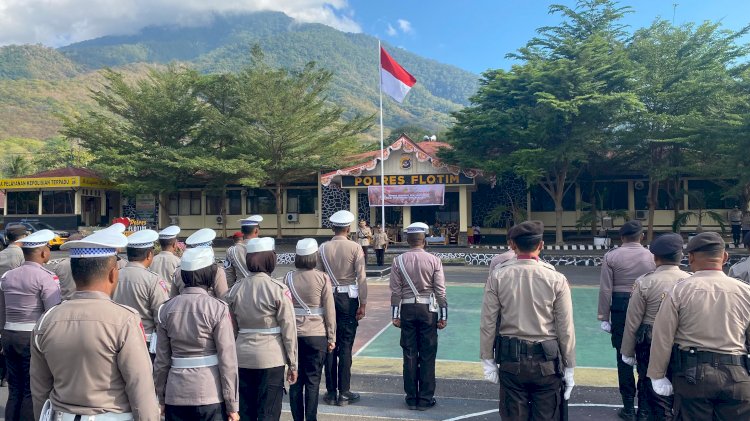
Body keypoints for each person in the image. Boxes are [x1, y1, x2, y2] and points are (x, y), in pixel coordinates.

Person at [31, 228, 160, 420]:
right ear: (112, 274)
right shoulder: (125, 320)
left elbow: (40, 390)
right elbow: (140, 388)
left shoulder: (46, 321)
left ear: (75, 274)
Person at [648, 232, 750, 419]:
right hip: (738, 374)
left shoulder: (679, 290)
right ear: (724, 257)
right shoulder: (745, 291)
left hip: (692, 375)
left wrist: (657, 374)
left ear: (691, 257)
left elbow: (663, 336)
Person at [480, 221, 575, 420]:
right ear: (541, 245)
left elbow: (489, 322)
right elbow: (565, 327)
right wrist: (570, 366)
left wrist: (487, 359)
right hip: (547, 361)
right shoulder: (557, 278)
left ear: (512, 245)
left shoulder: (497, 277)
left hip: (511, 360)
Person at [154, 247, 240, 421]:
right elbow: (227, 360)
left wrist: (160, 398)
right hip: (210, 393)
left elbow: (161, 360)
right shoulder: (217, 308)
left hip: (175, 394)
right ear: (210, 274)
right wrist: (232, 404)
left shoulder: (166, 309)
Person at [225, 237, 297, 421]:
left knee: (246, 411)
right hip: (271, 358)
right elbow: (288, 329)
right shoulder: (278, 289)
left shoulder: (235, 290)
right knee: (269, 412)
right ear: (270, 260)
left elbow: (230, 328)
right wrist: (293, 363)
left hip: (241, 356)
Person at [619, 233, 690, 420]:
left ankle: (645, 414)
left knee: (647, 381)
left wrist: (627, 351)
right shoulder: (689, 281)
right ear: (680, 256)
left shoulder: (645, 282)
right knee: (676, 383)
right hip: (679, 339)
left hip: (649, 339)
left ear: (655, 257)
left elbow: (633, 320)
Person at [597, 220, 655, 420]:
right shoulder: (652, 256)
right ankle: (645, 409)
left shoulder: (611, 256)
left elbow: (606, 289)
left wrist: (604, 316)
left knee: (624, 358)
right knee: (646, 359)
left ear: (621, 237)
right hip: (647, 307)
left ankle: (628, 407)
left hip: (621, 307)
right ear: (642, 237)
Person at [0, 229, 60, 421]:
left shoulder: (8, 276)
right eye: (48, 248)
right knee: (30, 390)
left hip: (9, 334)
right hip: (32, 337)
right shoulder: (46, 277)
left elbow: (2, 310)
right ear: (43, 252)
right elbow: (52, 314)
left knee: (15, 388)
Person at [390, 222, 448, 410]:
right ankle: (425, 398)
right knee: (428, 355)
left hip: (406, 310)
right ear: (424, 240)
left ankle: (411, 397)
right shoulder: (434, 260)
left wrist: (395, 315)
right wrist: (443, 315)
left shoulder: (398, 261)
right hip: (428, 311)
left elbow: (395, 292)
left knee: (409, 354)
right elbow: (440, 291)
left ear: (408, 240)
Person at [318, 210, 367, 406]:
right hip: (348, 299)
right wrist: (363, 303)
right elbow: (361, 277)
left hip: (328, 297)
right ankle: (344, 392)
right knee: (345, 346)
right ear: (348, 228)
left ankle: (330, 392)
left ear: (332, 227)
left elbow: (319, 277)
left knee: (330, 343)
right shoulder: (355, 247)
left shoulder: (322, 248)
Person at [286, 238, 336, 421]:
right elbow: (329, 310)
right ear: (314, 256)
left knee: (295, 381)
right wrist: (331, 337)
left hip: (295, 335)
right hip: (317, 334)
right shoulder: (322, 278)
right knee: (313, 381)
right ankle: (311, 418)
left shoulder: (288, 277)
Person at [112, 229, 169, 358]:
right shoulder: (152, 280)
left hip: (115, 339)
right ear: (149, 255)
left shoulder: (113, 277)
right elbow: (161, 316)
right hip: (144, 341)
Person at [171, 228, 228, 298]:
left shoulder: (179, 270)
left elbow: (173, 298)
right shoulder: (217, 271)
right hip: (210, 307)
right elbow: (223, 297)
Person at [225, 215, 262, 288]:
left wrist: (232, 292)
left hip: (240, 289)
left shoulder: (231, 251)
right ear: (256, 230)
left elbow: (229, 276)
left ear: (242, 231)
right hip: (261, 288)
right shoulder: (264, 247)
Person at [150, 225, 181, 292]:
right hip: (172, 300)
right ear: (174, 244)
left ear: (160, 244)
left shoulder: (151, 260)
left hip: (154, 299)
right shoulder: (178, 262)